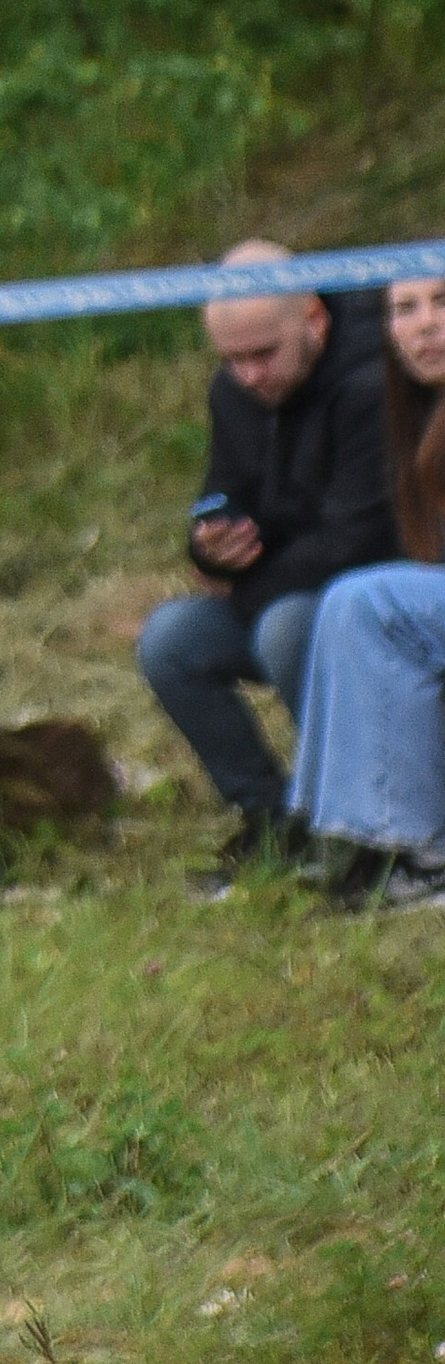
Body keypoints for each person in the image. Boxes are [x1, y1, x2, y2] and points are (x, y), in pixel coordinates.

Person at [134, 241, 394, 881]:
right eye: (231, 359)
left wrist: (242, 587)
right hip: (276, 587)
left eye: (261, 355)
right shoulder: (235, 393)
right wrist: (207, 544)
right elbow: (222, 492)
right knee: (169, 639)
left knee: (290, 628)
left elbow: (356, 541)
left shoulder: (373, 384)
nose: (247, 376)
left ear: (313, 318)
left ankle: (364, 821)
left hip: (360, 594)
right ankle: (271, 820)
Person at [283, 278, 445, 909]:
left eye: (442, 302)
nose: (425, 325)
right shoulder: (411, 416)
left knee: (367, 602)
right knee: (341, 604)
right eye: (404, 309)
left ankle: (426, 853)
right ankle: (350, 837)